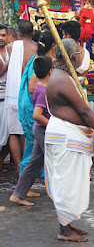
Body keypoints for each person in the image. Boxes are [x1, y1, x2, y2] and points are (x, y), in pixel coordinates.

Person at [45, 38, 94, 242]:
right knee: (67, 182)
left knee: (71, 181)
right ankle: (64, 230)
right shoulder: (62, 78)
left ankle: (68, 224)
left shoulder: (63, 75)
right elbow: (84, 110)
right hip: (65, 136)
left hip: (67, 135)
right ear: (74, 57)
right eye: (80, 54)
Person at [10, 56, 52, 206]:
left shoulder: (40, 88)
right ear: (50, 71)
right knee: (53, 161)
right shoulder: (42, 91)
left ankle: (18, 194)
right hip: (42, 129)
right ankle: (59, 195)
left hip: (39, 129)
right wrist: (51, 125)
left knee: (34, 163)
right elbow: (37, 114)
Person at [18, 32, 55, 181]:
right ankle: (24, 180)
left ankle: (26, 181)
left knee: (35, 150)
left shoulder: (39, 59)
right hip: (32, 108)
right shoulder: (41, 62)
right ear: (53, 45)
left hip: (32, 107)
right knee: (32, 147)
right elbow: (33, 87)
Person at [5, 20, 37, 175]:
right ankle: (28, 171)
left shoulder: (11, 47)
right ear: (33, 33)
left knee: (14, 133)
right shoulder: (37, 49)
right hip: (29, 93)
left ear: (18, 33)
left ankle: (19, 169)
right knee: (28, 134)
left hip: (12, 95)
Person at [0, 25, 10, 177]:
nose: (1, 38)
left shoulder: (11, 51)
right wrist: (8, 65)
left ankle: (1, 161)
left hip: (10, 98)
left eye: (3, 35)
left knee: (11, 135)